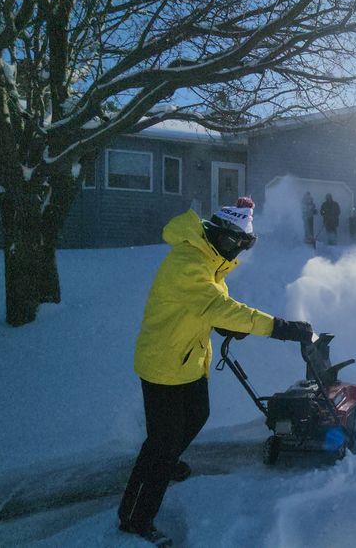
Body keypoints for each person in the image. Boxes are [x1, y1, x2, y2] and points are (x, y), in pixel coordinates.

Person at [118, 196, 314, 546]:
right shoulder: (188, 262)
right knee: (160, 444)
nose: (237, 252)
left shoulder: (210, 260)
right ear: (221, 235)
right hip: (164, 364)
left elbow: (210, 308)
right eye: (236, 244)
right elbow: (218, 305)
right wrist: (280, 327)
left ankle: (166, 463)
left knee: (197, 414)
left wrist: (223, 324)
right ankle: (134, 517)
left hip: (188, 361)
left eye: (243, 245)